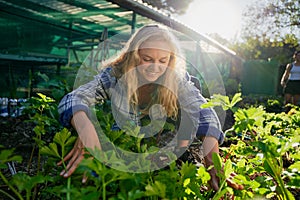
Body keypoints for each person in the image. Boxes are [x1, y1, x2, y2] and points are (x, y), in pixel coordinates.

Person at [57, 24, 236, 191]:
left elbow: (204, 111)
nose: (155, 67)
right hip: (127, 135)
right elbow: (74, 98)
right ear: (134, 57)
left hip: (168, 139)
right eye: (147, 59)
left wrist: (213, 160)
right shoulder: (115, 75)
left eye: (163, 60)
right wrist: (86, 129)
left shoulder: (176, 79)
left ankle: (187, 154)